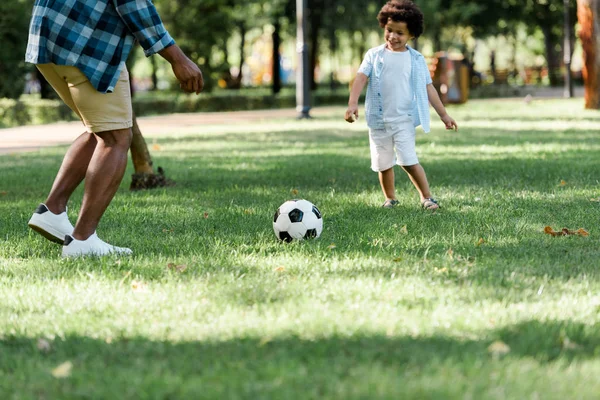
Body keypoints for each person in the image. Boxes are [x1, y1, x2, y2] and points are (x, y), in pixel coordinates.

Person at [25, 0, 203, 257]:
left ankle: (52, 211)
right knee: (117, 137)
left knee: (101, 129)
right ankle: (83, 240)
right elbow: (133, 3)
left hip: (50, 32)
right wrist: (177, 58)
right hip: (85, 41)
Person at [345, 0, 458, 210]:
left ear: (411, 35)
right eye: (389, 30)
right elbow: (360, 78)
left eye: (400, 33)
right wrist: (353, 104)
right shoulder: (374, 55)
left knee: (408, 160)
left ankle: (426, 197)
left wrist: (444, 115)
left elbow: (428, 88)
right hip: (378, 121)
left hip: (403, 119)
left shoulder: (416, 59)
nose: (393, 37)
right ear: (383, 26)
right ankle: (390, 199)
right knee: (383, 163)